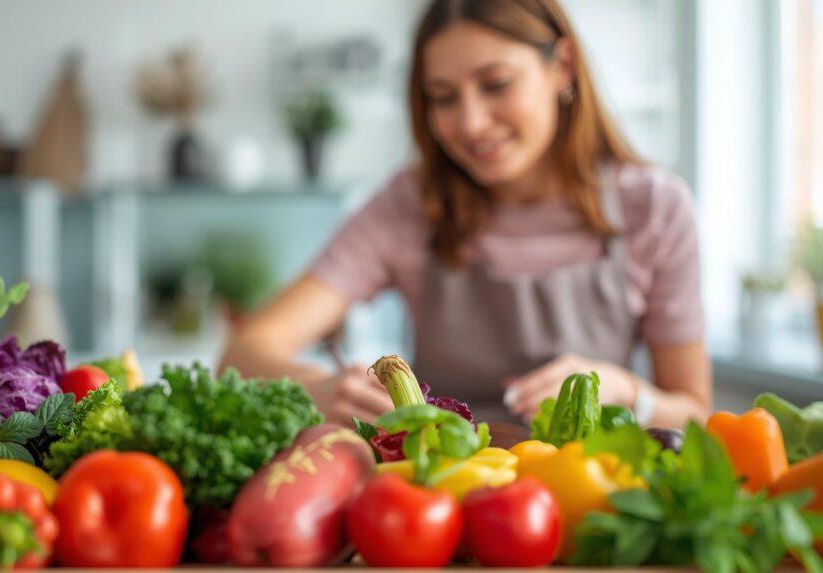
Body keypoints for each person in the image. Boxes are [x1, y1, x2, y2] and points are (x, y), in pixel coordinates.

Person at [219, 0, 711, 431]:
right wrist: (319, 387)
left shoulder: (655, 208)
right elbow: (242, 353)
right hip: (440, 502)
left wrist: (627, 391)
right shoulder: (408, 205)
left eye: (496, 84)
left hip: (588, 500)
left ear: (563, 66)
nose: (471, 123)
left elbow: (697, 414)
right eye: (444, 96)